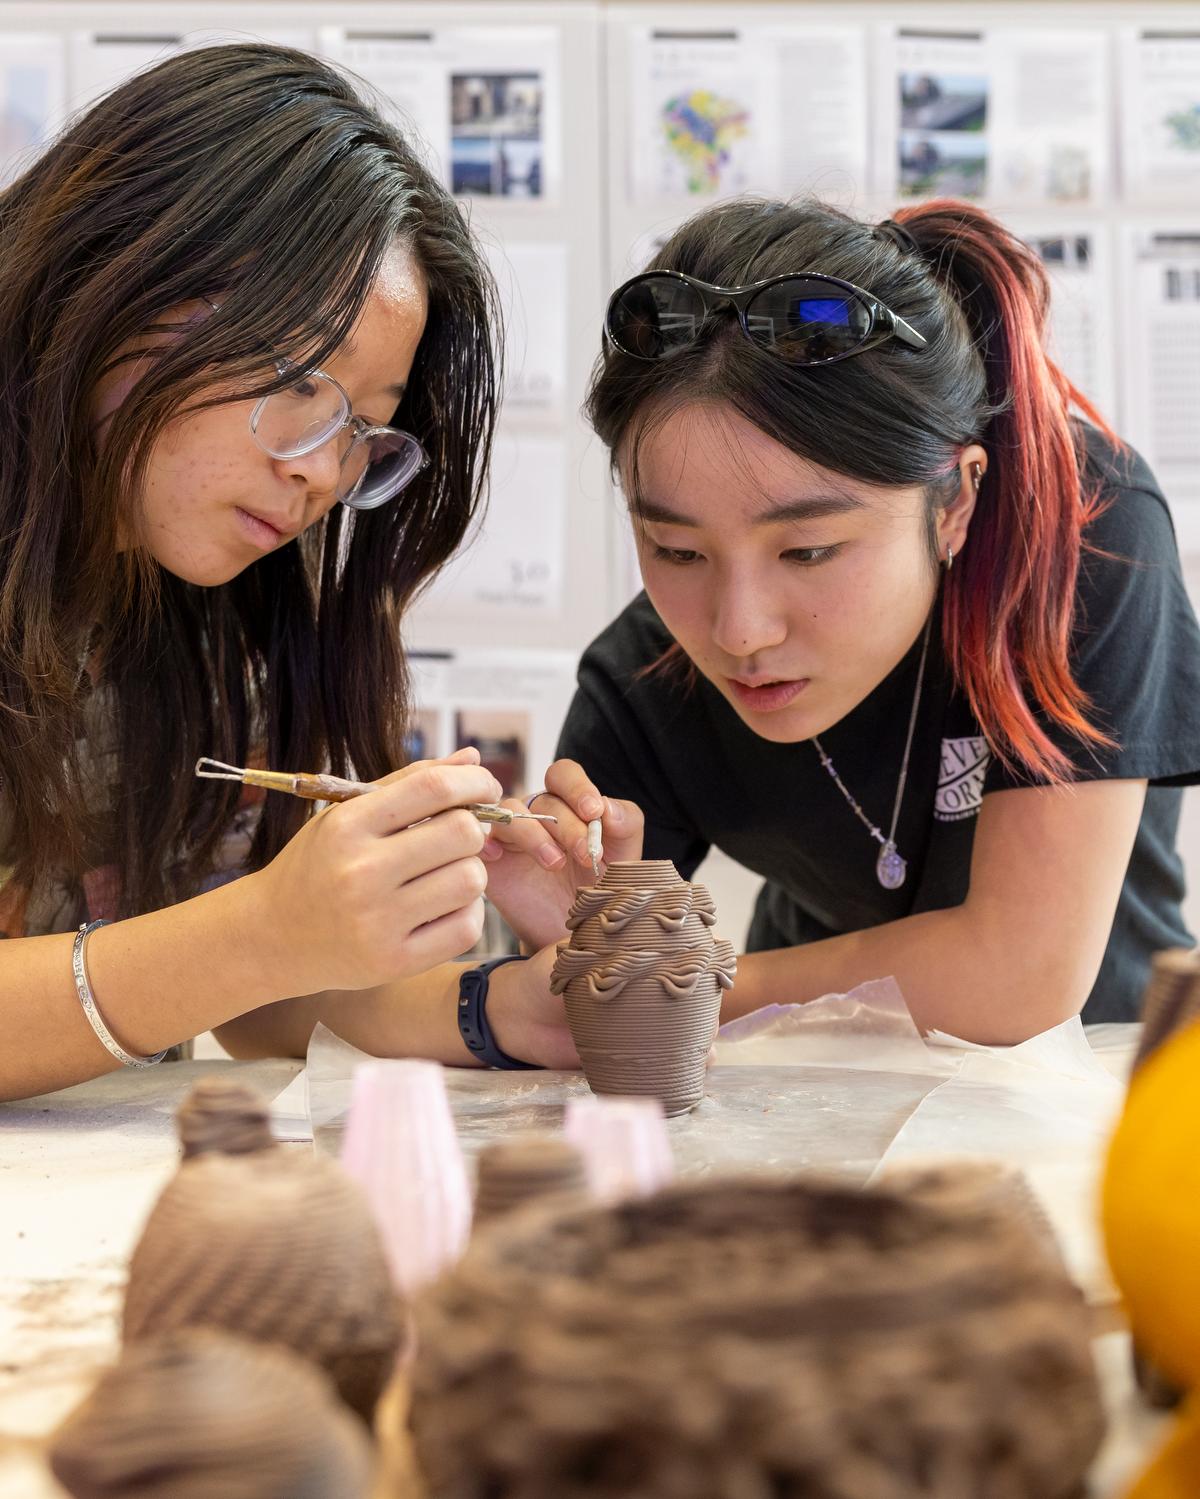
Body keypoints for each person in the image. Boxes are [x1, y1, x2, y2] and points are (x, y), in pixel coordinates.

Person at [0, 44, 588, 1103]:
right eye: (298, 380)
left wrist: (503, 1005)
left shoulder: (202, 605)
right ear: (116, 274)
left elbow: (246, 995)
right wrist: (262, 929)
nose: (323, 471)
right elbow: (228, 952)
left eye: (365, 429)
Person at [485, 197, 1200, 1041]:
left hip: (1108, 1071)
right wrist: (572, 940)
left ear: (954, 503)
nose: (739, 632)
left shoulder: (1078, 531)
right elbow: (586, 997)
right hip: (818, 1081)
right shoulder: (646, 678)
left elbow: (1019, 973)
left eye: (809, 550)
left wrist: (674, 981)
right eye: (676, 550)